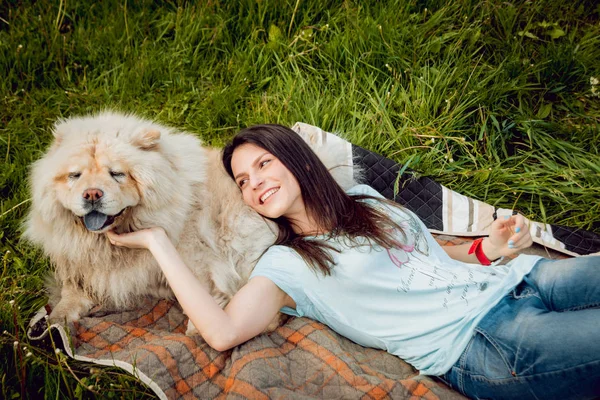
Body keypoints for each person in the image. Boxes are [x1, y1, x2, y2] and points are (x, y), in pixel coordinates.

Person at [107, 124, 600, 399]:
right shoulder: (285, 265)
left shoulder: (364, 198)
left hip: (523, 279)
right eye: (241, 180)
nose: (253, 183)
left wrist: (486, 250)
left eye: (263, 165)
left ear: (298, 161)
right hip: (488, 343)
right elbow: (220, 331)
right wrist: (156, 242)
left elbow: (422, 251)